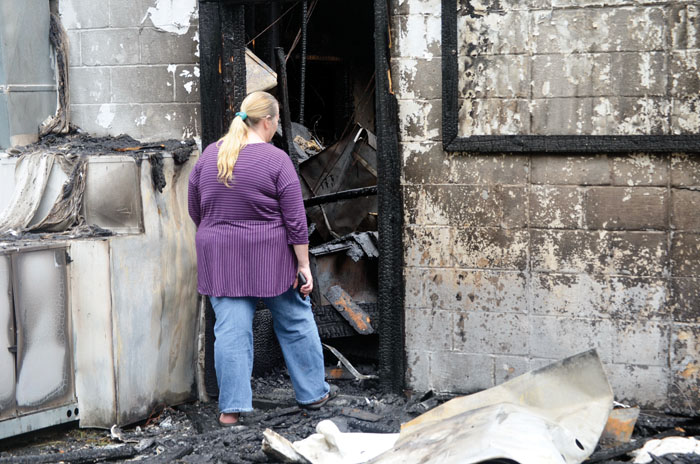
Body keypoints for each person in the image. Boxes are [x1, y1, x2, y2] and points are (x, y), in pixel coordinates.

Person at [187, 91, 335, 427]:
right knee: (295, 319)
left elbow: (195, 209)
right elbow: (295, 220)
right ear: (267, 121)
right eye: (277, 120)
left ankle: (230, 410)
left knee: (231, 331)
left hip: (221, 258)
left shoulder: (210, 155)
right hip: (271, 258)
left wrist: (219, 234)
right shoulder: (276, 160)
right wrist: (303, 265)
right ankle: (314, 394)